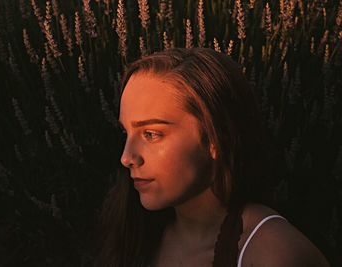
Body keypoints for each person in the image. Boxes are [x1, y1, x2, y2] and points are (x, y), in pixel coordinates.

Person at [91, 48, 330, 267]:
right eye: (127, 132)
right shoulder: (134, 235)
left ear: (217, 137)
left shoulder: (272, 254)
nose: (127, 157)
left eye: (151, 134)